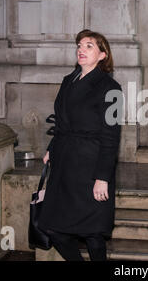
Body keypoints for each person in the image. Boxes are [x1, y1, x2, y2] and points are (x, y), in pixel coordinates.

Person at [38, 29, 122, 261]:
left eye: (89, 46)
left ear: (103, 55)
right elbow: (62, 122)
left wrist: (102, 177)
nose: (81, 50)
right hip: (65, 164)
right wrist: (51, 149)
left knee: (93, 232)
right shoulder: (68, 80)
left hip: (91, 166)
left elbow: (111, 136)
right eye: (79, 45)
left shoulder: (111, 88)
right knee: (52, 227)